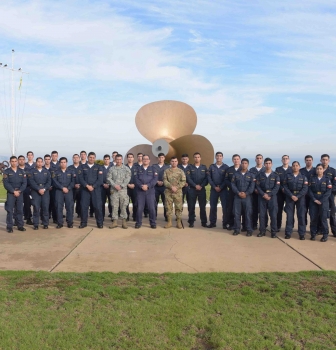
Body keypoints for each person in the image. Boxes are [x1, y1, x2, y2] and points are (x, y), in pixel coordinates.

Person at [283, 161, 308, 240]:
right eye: (293, 166)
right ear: (291, 167)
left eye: (297, 165)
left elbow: (305, 188)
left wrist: (298, 196)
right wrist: (291, 195)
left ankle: (301, 234)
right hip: (290, 197)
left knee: (301, 216)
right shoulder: (287, 176)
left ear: (299, 167)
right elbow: (285, 187)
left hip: (300, 198)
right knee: (289, 216)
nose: (295, 167)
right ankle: (288, 233)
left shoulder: (303, 177)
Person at [78, 152, 103, 229]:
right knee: (84, 207)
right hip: (85, 190)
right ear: (87, 157)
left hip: (96, 190)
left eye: (93, 157)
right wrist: (87, 185)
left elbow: (100, 180)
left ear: (95, 158)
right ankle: (83, 223)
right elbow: (80, 178)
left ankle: (99, 223)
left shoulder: (99, 167)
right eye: (90, 157)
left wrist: (93, 186)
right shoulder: (82, 167)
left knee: (97, 207)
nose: (91, 159)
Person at [256, 158, 280, 238]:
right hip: (262, 197)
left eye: (269, 163)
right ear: (264, 164)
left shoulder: (276, 175)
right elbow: (257, 186)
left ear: (272, 164)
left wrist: (269, 195)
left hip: (272, 198)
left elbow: (277, 187)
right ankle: (262, 231)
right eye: (266, 163)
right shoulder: (260, 175)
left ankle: (273, 232)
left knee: (273, 215)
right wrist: (263, 194)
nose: (268, 165)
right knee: (262, 215)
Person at [231, 158, 255, 236]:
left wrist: (246, 193)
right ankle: (237, 229)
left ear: (248, 165)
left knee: (248, 214)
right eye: (243, 163)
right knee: (237, 213)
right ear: (241, 164)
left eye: (245, 163)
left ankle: (249, 230)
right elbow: (233, 184)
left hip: (247, 197)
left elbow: (252, 186)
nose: (244, 165)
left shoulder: (251, 175)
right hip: (237, 197)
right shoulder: (236, 174)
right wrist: (238, 193)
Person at [3, 156, 27, 233]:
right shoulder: (6, 172)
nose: (14, 162)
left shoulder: (22, 172)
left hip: (20, 193)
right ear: (10, 162)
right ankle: (9, 226)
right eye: (12, 161)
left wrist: (19, 191)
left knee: (19, 210)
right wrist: (13, 191)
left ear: (17, 162)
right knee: (10, 210)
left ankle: (20, 225)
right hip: (11, 193)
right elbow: (6, 183)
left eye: (15, 161)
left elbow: (24, 183)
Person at [309, 163, 332, 242]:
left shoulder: (327, 179)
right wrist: (314, 199)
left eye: (320, 169)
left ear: (323, 170)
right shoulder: (312, 179)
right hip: (314, 200)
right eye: (317, 169)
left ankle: (325, 235)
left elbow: (328, 191)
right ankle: (313, 234)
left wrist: (321, 200)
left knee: (323, 218)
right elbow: (309, 190)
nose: (319, 170)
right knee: (313, 218)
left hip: (323, 201)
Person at [107, 154, 131, 229]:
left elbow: (128, 178)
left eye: (120, 159)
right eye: (117, 159)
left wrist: (121, 186)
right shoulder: (111, 169)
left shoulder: (126, 169)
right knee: (114, 206)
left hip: (123, 190)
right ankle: (114, 222)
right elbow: (108, 178)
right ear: (115, 160)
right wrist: (114, 185)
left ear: (122, 159)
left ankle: (124, 222)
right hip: (114, 191)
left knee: (123, 205)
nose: (118, 161)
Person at [134, 154, 158, 229]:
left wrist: (147, 186)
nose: (145, 160)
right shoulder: (137, 169)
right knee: (139, 208)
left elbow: (155, 179)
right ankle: (138, 223)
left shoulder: (153, 169)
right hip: (140, 191)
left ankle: (153, 223)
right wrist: (141, 186)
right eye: (144, 159)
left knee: (151, 208)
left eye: (147, 159)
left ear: (149, 160)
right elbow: (136, 179)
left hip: (150, 191)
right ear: (142, 160)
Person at [28, 157, 51, 230]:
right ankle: (36, 224)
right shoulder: (32, 171)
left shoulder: (46, 171)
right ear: (36, 162)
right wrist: (38, 189)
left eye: (41, 162)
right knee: (36, 208)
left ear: (43, 162)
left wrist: (44, 189)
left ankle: (45, 223)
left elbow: (49, 182)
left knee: (45, 208)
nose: (40, 163)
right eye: (38, 162)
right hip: (35, 192)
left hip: (45, 192)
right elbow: (31, 182)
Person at [163, 156, 186, 229]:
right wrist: (171, 186)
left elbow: (183, 181)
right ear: (170, 162)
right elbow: (164, 180)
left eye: (175, 161)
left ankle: (178, 222)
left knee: (178, 207)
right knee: (168, 207)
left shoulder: (180, 171)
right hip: (168, 192)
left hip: (178, 192)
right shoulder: (166, 171)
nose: (174, 162)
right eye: (172, 161)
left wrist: (177, 187)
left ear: (177, 162)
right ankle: (169, 222)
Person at [186, 152, 208, 228]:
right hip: (192, 189)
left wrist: (201, 186)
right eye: (195, 157)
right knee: (191, 206)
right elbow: (188, 178)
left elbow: (206, 178)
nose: (197, 158)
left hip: (201, 190)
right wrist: (195, 185)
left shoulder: (204, 167)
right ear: (193, 158)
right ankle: (191, 221)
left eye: (198, 157)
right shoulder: (190, 167)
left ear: (200, 158)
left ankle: (204, 222)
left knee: (202, 207)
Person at [207, 152, 228, 228]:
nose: (219, 157)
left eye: (220, 156)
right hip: (214, 189)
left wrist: (221, 187)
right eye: (217, 156)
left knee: (225, 207)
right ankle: (212, 222)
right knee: (213, 207)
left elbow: (226, 179)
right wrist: (214, 186)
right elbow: (209, 178)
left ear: (222, 157)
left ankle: (225, 223)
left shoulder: (226, 167)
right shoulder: (211, 167)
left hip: (223, 190)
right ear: (215, 157)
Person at [52, 157, 75, 229]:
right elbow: (54, 182)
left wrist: (68, 188)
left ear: (67, 163)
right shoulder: (55, 172)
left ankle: (70, 223)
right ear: (59, 163)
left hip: (69, 191)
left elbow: (73, 181)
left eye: (64, 162)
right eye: (61, 162)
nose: (63, 163)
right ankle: (60, 223)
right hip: (59, 191)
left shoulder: (71, 171)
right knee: (59, 207)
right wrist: (62, 188)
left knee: (69, 207)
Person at [223, 154, 241, 230]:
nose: (236, 160)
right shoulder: (229, 170)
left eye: (237, 159)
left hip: (240, 192)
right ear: (232, 160)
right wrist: (232, 186)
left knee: (240, 209)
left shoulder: (243, 169)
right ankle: (231, 224)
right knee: (230, 208)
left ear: (240, 160)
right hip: (231, 192)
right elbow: (226, 179)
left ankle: (241, 225)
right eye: (234, 159)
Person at [320, 154, 336, 237]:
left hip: (330, 195)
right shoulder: (318, 169)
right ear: (321, 160)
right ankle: (320, 229)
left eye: (326, 160)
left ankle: (334, 230)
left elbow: (335, 184)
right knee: (321, 212)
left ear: (328, 161)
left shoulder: (333, 171)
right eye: (323, 159)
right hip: (320, 196)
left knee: (332, 213)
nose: (324, 161)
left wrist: (330, 192)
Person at [275, 155, 292, 231]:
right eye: (284, 159)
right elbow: (277, 181)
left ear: (289, 160)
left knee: (290, 210)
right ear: (282, 160)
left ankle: (289, 226)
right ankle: (278, 226)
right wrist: (282, 188)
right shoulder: (278, 169)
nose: (285, 160)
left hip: (289, 193)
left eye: (286, 158)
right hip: (280, 192)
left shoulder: (292, 169)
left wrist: (287, 190)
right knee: (279, 210)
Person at [249, 154, 265, 230]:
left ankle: (264, 225)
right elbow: (249, 181)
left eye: (260, 158)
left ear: (262, 160)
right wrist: (254, 189)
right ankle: (254, 224)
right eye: (257, 158)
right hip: (253, 193)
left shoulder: (266, 169)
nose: (259, 159)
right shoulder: (251, 170)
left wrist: (261, 191)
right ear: (255, 160)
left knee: (263, 210)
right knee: (254, 209)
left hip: (263, 193)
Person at [153, 153, 170, 221]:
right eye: (159, 157)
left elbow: (169, 177)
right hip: (155, 187)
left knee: (165, 202)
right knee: (154, 203)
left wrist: (163, 182)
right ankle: (154, 216)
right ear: (158, 158)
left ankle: (166, 217)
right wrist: (157, 181)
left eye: (162, 157)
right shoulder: (153, 167)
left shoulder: (167, 167)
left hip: (164, 187)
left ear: (164, 158)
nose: (161, 159)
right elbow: (152, 176)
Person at [300, 155, 316, 225]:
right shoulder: (301, 171)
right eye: (307, 160)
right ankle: (303, 227)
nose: (308, 162)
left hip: (313, 195)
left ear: (312, 161)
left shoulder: (316, 170)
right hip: (303, 195)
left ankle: (314, 229)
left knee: (313, 212)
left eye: (310, 160)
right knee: (303, 212)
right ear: (305, 161)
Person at [67, 154, 82, 218]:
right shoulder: (69, 168)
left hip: (81, 187)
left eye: (77, 158)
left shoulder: (82, 167)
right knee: (71, 202)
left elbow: (85, 178)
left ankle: (80, 213)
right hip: (72, 188)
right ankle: (70, 215)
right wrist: (73, 185)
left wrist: (80, 184)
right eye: (74, 158)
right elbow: (68, 179)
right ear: (72, 159)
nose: (75, 159)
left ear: (79, 159)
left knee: (80, 202)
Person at [23, 151, 35, 225]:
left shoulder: (36, 165)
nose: (30, 156)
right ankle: (28, 218)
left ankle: (37, 217)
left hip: (34, 187)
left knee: (36, 203)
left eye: (31, 155)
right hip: (26, 187)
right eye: (29, 155)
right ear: (27, 156)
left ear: (33, 156)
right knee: (27, 204)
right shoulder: (24, 165)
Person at [125, 153, 137, 222]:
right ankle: (127, 216)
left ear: (133, 158)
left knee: (135, 203)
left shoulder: (137, 167)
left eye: (131, 157)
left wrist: (134, 184)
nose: (130, 158)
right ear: (127, 158)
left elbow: (138, 178)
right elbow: (122, 178)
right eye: (129, 157)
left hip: (135, 188)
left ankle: (135, 216)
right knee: (126, 203)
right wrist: (128, 184)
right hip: (126, 188)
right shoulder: (124, 167)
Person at [101, 154, 113, 219]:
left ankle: (111, 214)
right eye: (105, 159)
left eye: (107, 159)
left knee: (111, 202)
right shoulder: (100, 168)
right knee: (102, 202)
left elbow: (114, 178)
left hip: (110, 187)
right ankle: (102, 216)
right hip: (102, 187)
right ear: (103, 160)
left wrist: (108, 184)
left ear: (109, 160)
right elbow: (99, 178)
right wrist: (103, 184)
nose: (106, 160)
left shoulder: (112, 168)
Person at [49, 151, 59, 223]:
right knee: (50, 203)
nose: (54, 157)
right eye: (53, 155)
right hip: (50, 187)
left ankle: (56, 218)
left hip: (58, 187)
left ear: (57, 156)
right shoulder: (49, 164)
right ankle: (49, 216)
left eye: (55, 155)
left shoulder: (60, 164)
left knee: (57, 203)